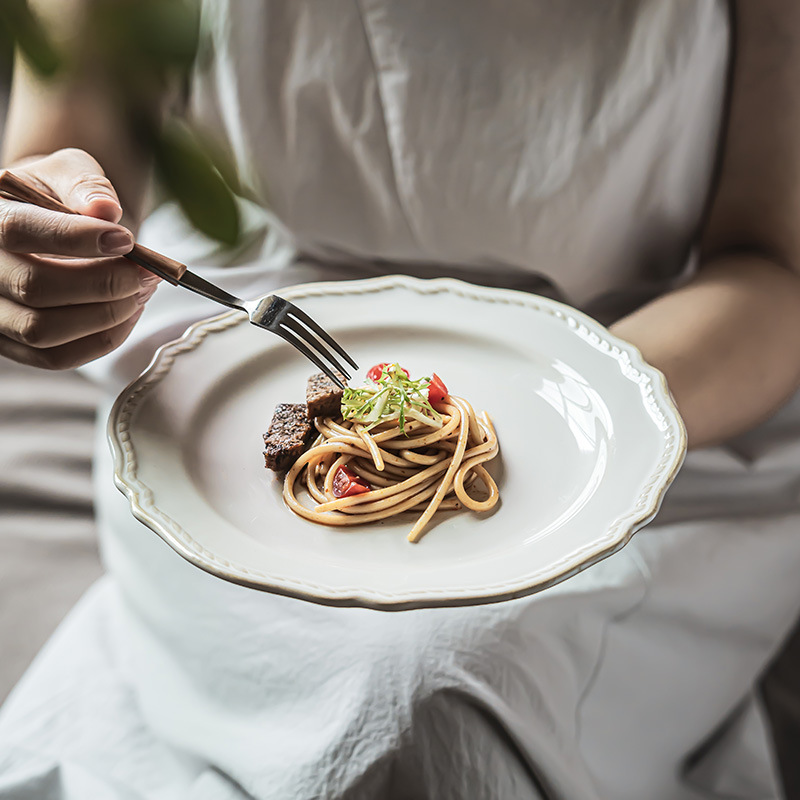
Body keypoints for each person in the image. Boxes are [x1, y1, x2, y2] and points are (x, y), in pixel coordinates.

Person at [1, 0, 800, 797]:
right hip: (240, 354)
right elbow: (64, 150)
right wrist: (44, 240)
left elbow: (775, 269)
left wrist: (570, 398)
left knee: (435, 702)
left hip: (661, 375)